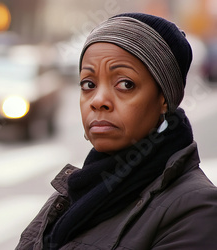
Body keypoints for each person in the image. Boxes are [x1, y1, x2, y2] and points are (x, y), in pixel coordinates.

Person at [16, 13, 217, 250]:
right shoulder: (73, 193)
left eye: (125, 84)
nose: (98, 100)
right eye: (88, 84)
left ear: (164, 98)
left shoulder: (197, 209)